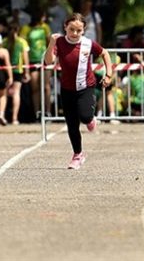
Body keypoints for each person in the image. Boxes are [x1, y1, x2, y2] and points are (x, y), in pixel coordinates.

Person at [44, 13, 114, 170]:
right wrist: (51, 43)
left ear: (84, 30)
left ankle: (90, 119)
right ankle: (78, 155)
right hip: (67, 89)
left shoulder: (88, 44)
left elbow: (105, 53)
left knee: (85, 116)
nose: (74, 34)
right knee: (72, 125)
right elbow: (48, 61)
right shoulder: (60, 42)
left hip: (85, 87)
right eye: (71, 30)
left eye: (78, 30)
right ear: (65, 28)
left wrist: (108, 74)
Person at [6, 23, 30, 125]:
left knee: (4, 94)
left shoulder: (4, 42)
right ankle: (14, 118)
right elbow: (26, 58)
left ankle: (2, 115)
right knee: (16, 93)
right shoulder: (22, 42)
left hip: (6, 71)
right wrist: (27, 72)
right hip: (18, 70)